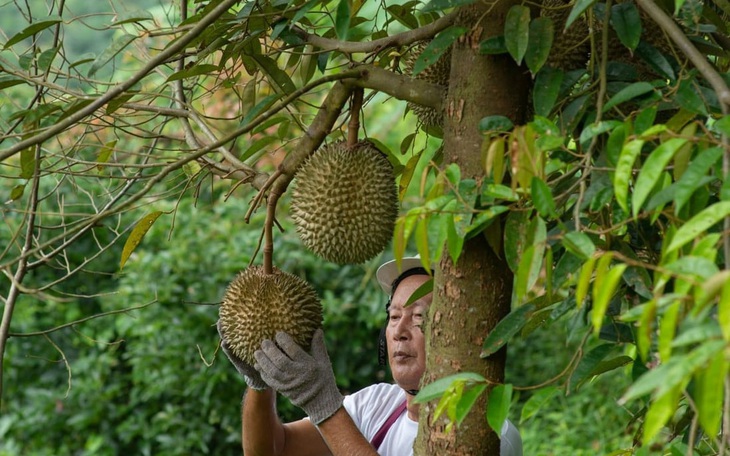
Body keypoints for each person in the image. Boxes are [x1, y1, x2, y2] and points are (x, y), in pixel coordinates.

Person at [218, 256, 523, 455]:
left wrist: (324, 403)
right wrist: (260, 384)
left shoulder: (490, 433)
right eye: (393, 316)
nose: (399, 331)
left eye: (420, 317)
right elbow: (274, 450)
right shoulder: (377, 405)